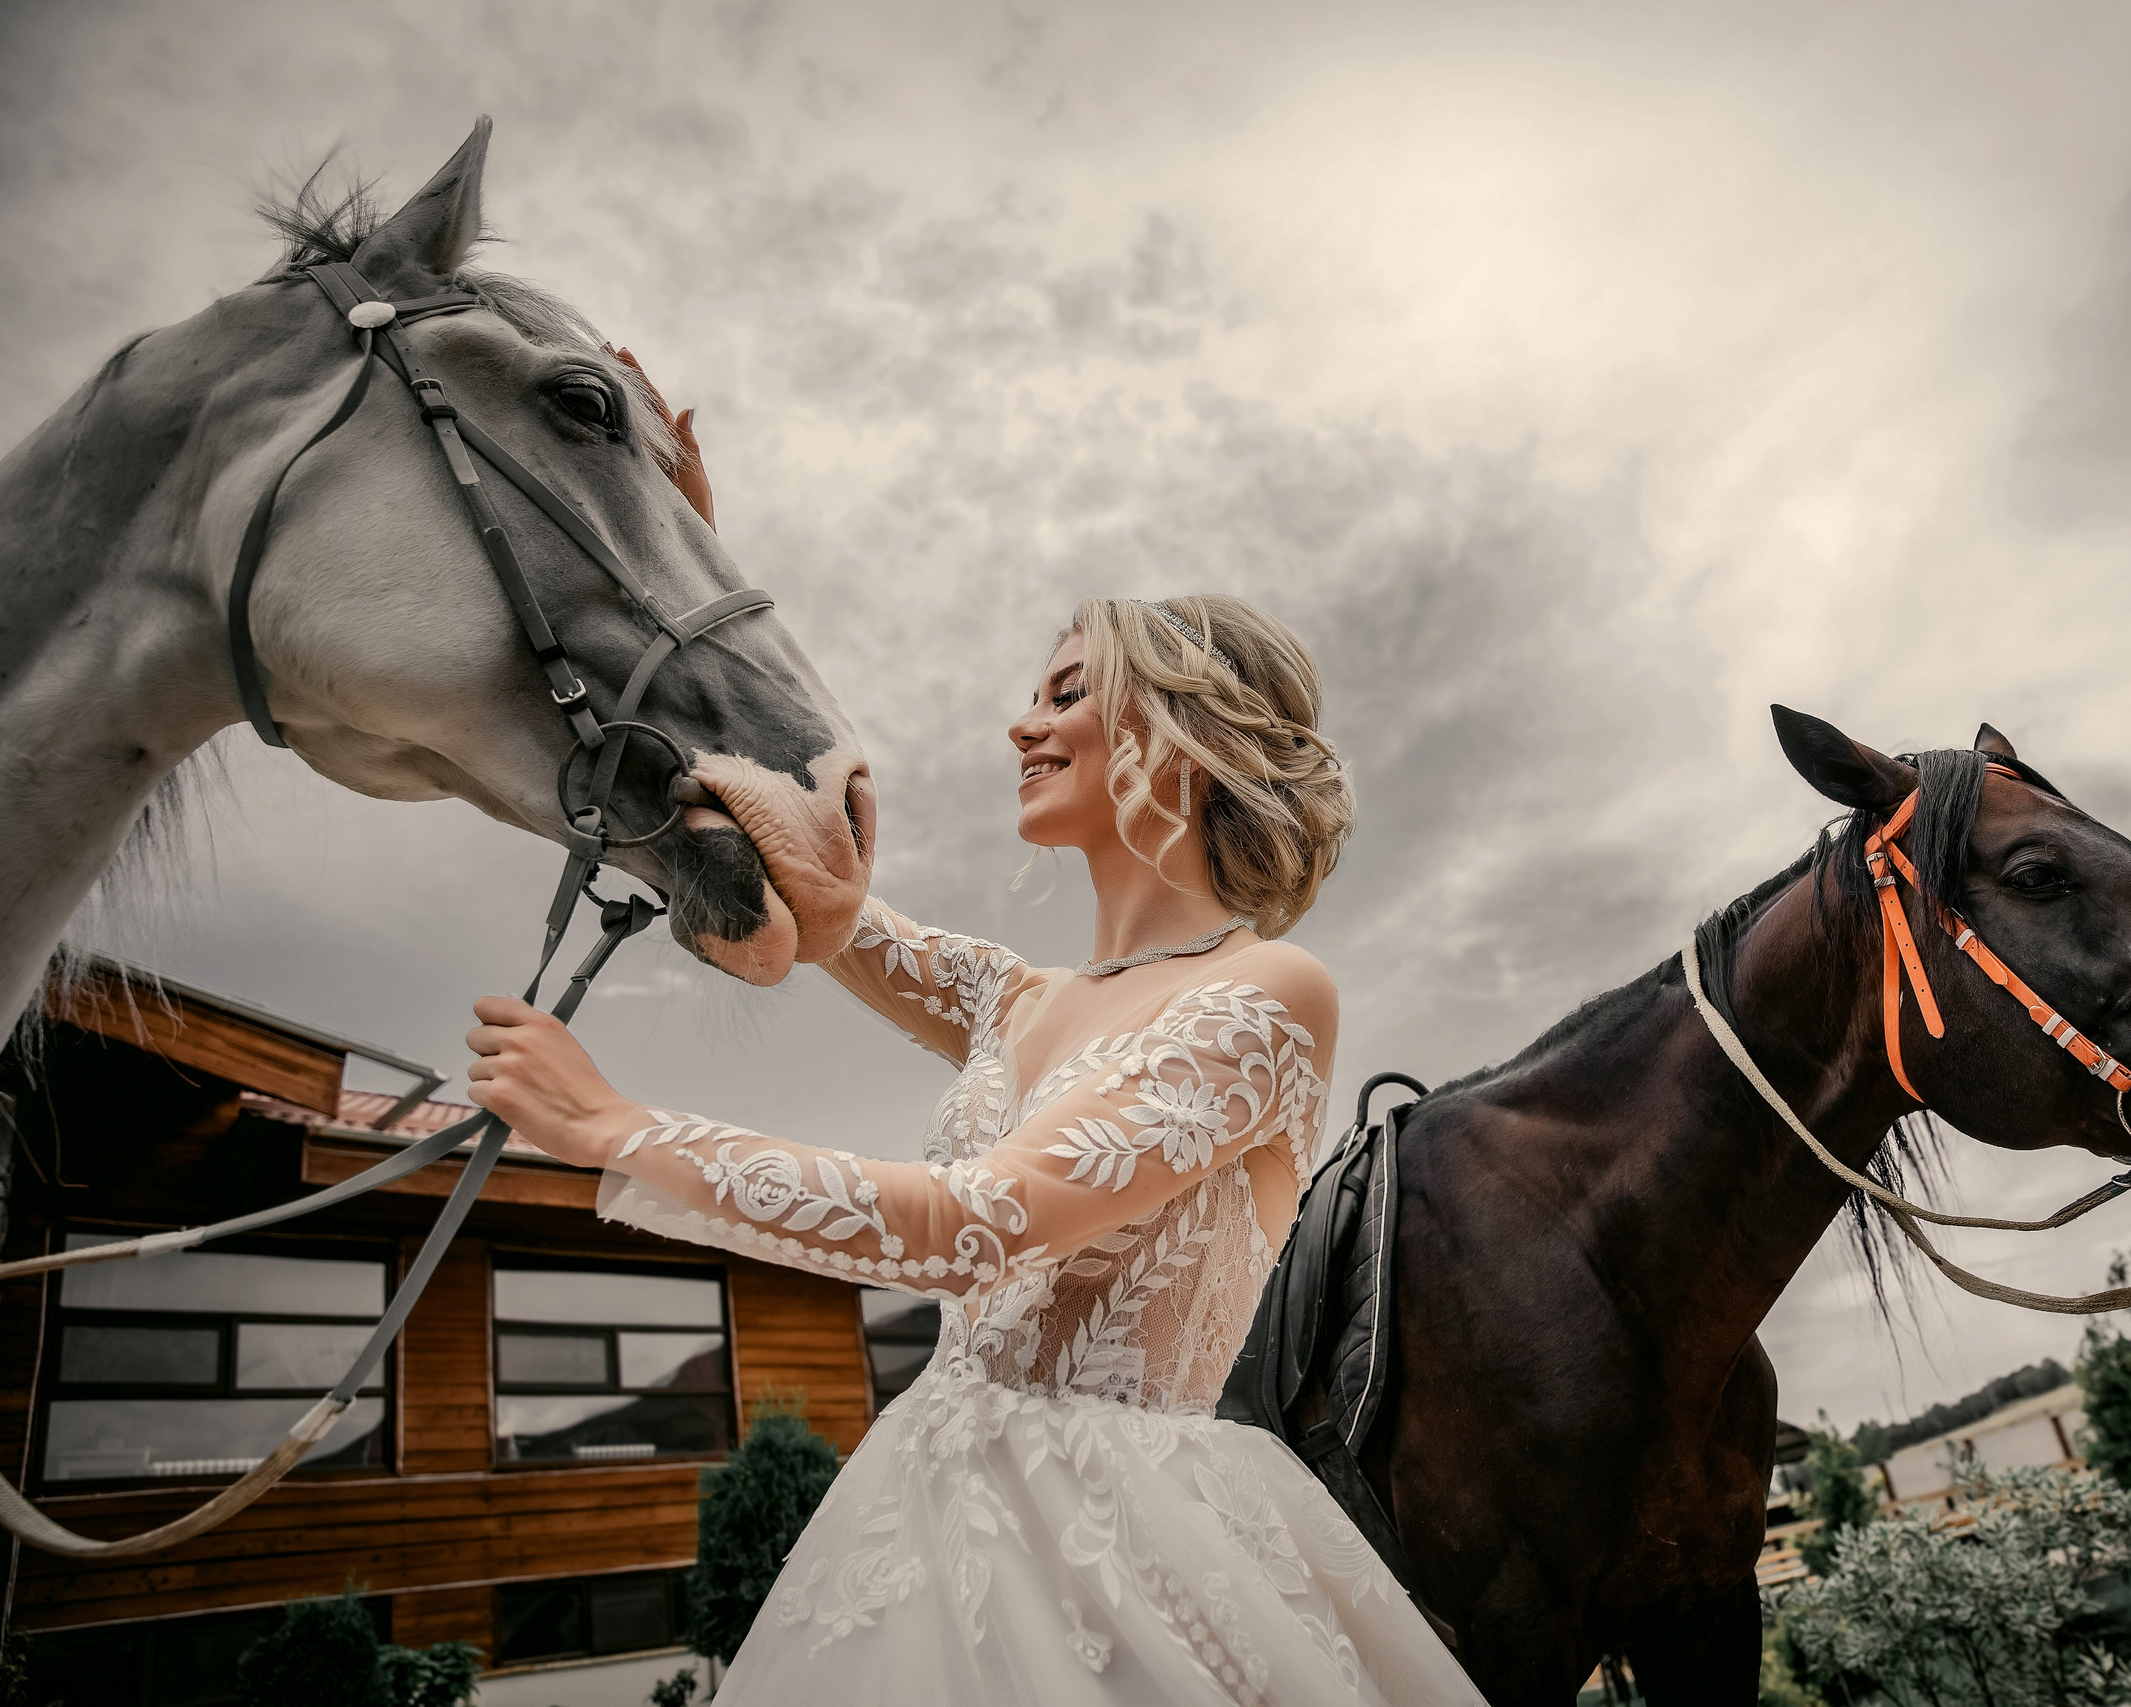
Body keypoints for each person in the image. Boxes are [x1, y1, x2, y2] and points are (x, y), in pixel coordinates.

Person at [465, 379, 1486, 1703]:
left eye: (1068, 691)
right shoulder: (1016, 997)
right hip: (922, 1505)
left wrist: (620, 1133)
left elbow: (975, 1226)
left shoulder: (1269, 994)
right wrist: (660, 553)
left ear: (1181, 734)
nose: (1022, 722)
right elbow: (825, 898)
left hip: (1119, 1559)